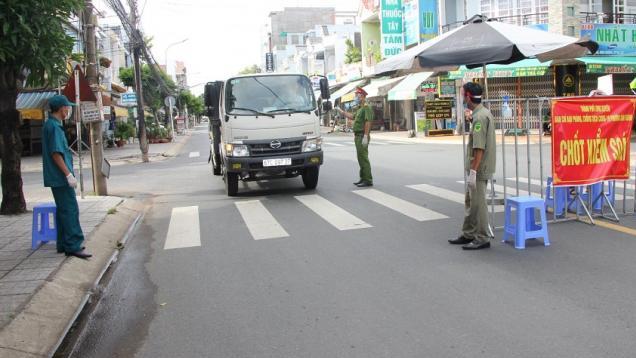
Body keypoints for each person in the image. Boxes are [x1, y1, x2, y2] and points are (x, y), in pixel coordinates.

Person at [43, 95, 92, 259]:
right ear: (61, 108)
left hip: (56, 177)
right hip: (60, 177)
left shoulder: (50, 125)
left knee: (63, 210)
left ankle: (63, 243)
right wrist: (68, 174)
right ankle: (73, 245)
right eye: (67, 107)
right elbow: (56, 154)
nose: (68, 110)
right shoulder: (54, 128)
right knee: (70, 210)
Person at [448, 82, 496, 250]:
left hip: (479, 168)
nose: (462, 98)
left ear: (468, 96)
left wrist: (474, 171)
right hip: (477, 167)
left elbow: (479, 148)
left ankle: (482, 237)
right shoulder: (479, 114)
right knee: (471, 201)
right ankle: (468, 233)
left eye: (462, 95)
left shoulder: (480, 117)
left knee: (478, 203)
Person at [337, 87, 374, 187]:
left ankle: (368, 180)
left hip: (362, 135)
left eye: (357, 95)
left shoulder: (366, 107)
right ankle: (363, 178)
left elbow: (368, 122)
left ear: (362, 96)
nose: (355, 98)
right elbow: (352, 116)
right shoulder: (360, 108)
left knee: (363, 158)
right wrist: (342, 112)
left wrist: (366, 136)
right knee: (360, 158)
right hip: (358, 136)